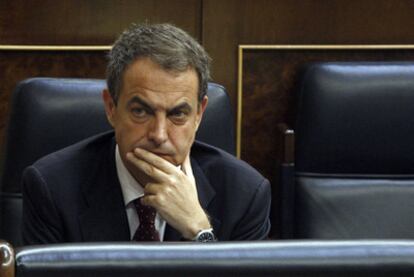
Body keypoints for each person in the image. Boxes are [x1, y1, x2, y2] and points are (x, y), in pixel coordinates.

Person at [22, 23, 271, 244]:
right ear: (111, 108)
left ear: (199, 114)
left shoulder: (245, 194)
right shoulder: (52, 188)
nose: (159, 135)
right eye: (141, 111)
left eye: (178, 114)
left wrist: (200, 232)